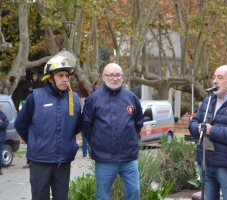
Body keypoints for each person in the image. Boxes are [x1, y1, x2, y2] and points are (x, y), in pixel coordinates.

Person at [14, 54, 82, 200]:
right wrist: (35, 142)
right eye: (60, 75)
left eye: (67, 76)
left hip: (63, 162)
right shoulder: (35, 97)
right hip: (40, 161)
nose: (65, 79)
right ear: (50, 78)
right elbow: (21, 124)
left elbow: (76, 126)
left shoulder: (74, 99)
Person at [188, 65, 227, 200]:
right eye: (214, 77)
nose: (215, 81)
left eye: (220, 78)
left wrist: (212, 130)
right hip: (206, 162)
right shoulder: (208, 101)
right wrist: (198, 128)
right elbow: (193, 123)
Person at [82, 63, 144, 200]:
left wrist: (130, 138)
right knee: (102, 196)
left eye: (118, 75)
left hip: (128, 158)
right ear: (103, 77)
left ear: (122, 76)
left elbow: (138, 122)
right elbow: (86, 125)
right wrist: (97, 142)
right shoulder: (93, 99)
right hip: (104, 159)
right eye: (111, 75)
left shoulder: (131, 97)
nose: (114, 78)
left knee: (134, 192)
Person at [0, 103, 9, 175]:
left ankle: (0, 169)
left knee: (0, 155)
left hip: (1, 139)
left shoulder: (3, 115)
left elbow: (5, 124)